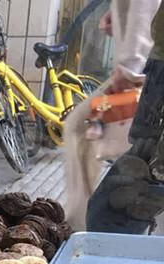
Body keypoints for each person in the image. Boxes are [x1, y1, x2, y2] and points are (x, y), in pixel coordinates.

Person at [63, 0, 159, 230]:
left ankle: (79, 228)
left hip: (140, 76)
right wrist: (118, 11)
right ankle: (79, 226)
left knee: (81, 128)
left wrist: (130, 68)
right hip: (143, 72)